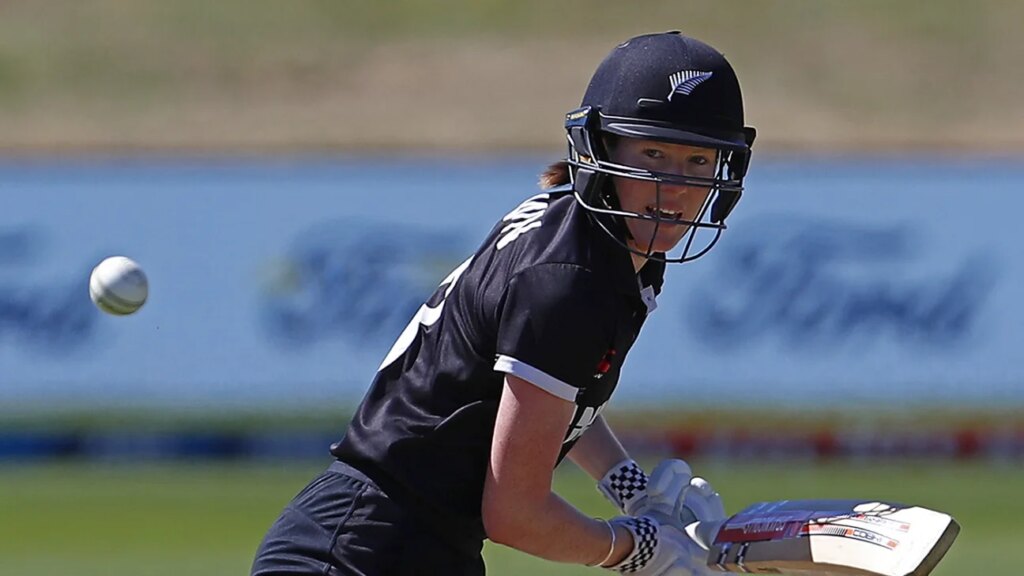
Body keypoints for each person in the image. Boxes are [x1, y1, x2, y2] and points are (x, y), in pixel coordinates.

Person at [252, 30, 756, 576]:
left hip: (415, 545)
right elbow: (515, 513)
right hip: (358, 550)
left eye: (699, 161)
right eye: (653, 154)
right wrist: (634, 548)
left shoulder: (605, 241)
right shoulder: (569, 280)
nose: (673, 188)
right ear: (601, 149)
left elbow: (553, 392)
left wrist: (630, 489)